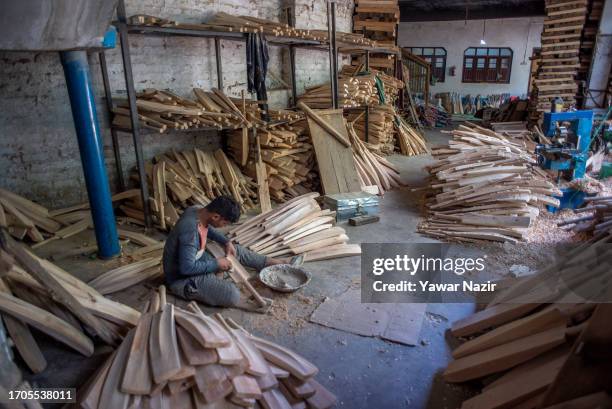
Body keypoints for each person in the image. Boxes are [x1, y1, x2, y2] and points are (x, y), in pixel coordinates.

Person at [163, 196, 297, 311]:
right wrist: (216, 264)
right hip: (182, 278)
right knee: (231, 294)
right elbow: (186, 268)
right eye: (224, 223)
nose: (224, 226)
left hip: (196, 258)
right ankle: (232, 293)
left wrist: (226, 241)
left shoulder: (197, 210)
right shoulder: (190, 233)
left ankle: (271, 262)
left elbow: (207, 229)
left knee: (234, 250)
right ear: (215, 216)